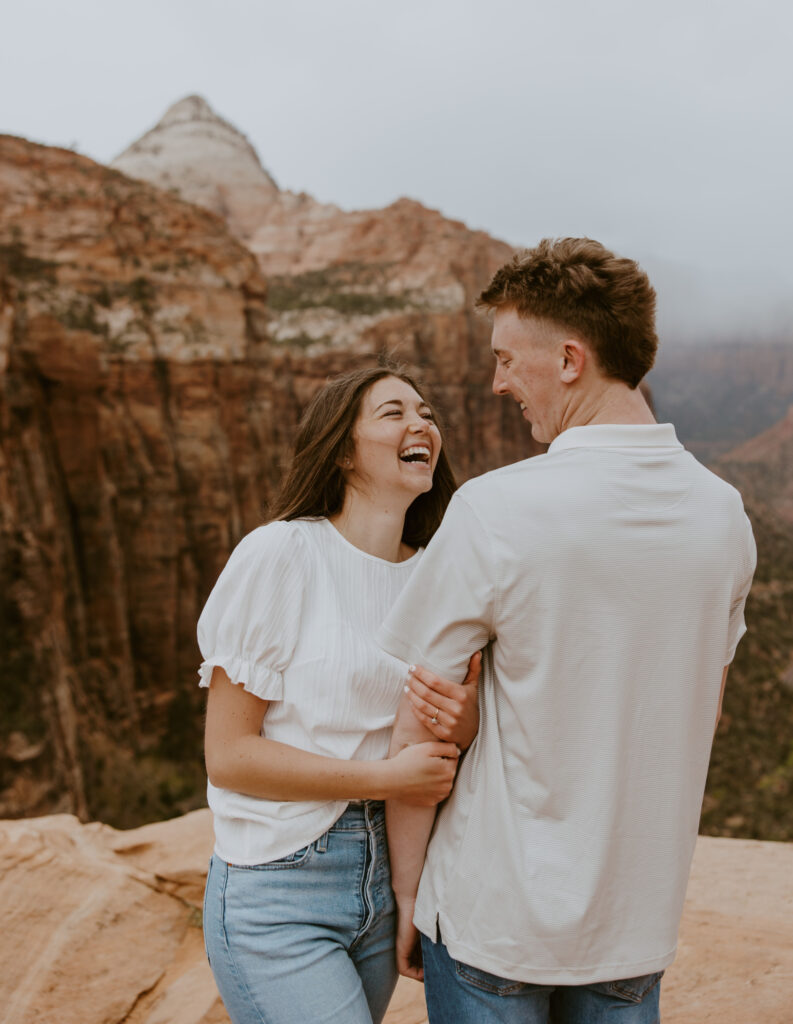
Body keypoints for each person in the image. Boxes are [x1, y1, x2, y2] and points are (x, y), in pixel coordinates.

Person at [378, 238, 757, 1023]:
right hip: (632, 929)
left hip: (492, 924)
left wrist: (408, 892)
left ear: (570, 359)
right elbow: (704, 710)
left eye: (508, 359)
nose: (496, 382)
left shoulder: (494, 508)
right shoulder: (723, 516)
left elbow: (420, 720)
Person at [198, 366, 480, 1024]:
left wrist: (462, 727)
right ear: (342, 450)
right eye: (391, 413)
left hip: (385, 881)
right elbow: (229, 755)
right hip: (279, 885)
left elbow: (447, 738)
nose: (420, 424)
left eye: (427, 412)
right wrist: (385, 777)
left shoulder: (435, 575)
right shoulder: (281, 553)